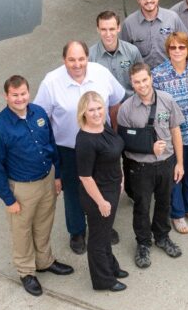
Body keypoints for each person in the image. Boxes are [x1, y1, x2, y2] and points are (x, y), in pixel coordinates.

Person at [33, 42, 124, 254]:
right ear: (64, 60)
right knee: (73, 191)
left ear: (87, 57)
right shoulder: (51, 82)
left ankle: (103, 226)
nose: (77, 64)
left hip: (102, 144)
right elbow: (40, 117)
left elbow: (115, 103)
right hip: (69, 148)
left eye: (81, 59)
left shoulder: (101, 73)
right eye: (71, 60)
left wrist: (115, 136)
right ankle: (77, 232)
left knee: (104, 187)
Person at [0, 75, 73, 297]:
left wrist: (57, 175)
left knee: (44, 223)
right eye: (14, 95)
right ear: (6, 96)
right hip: (22, 188)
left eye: (23, 93)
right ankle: (26, 272)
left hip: (46, 179)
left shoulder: (39, 113)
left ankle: (44, 261)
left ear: (29, 92)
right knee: (21, 231)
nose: (19, 98)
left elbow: (51, 143)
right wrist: (8, 199)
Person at [117, 63, 186, 269]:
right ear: (132, 83)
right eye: (137, 82)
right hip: (140, 168)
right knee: (142, 206)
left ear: (151, 78)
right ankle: (143, 243)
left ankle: (162, 237)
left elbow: (175, 132)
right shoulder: (126, 109)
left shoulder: (167, 100)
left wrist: (180, 163)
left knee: (164, 202)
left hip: (166, 163)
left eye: (144, 80)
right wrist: (148, 148)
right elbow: (124, 142)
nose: (142, 85)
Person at [152, 32, 188, 234]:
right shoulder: (158, 75)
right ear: (167, 50)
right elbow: (155, 108)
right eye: (173, 48)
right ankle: (177, 213)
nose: (177, 51)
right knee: (175, 175)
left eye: (181, 47)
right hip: (170, 137)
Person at [74, 91, 129, 292]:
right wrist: (101, 202)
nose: (97, 113)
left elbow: (113, 158)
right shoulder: (85, 141)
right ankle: (103, 280)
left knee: (105, 233)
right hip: (98, 195)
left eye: (99, 108)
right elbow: (85, 177)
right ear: (83, 113)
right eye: (91, 110)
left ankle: (111, 267)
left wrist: (120, 178)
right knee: (98, 238)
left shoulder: (104, 128)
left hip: (112, 188)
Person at [120, 0, 188, 68]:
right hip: (144, 80)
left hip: (171, 76)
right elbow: (124, 55)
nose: (149, 0)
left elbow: (186, 45)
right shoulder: (128, 24)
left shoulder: (172, 18)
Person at [89, 10, 142, 96]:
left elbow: (141, 78)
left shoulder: (132, 51)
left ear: (118, 28)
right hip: (105, 106)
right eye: (103, 29)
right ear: (98, 29)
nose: (108, 34)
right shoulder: (90, 57)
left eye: (112, 29)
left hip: (131, 103)